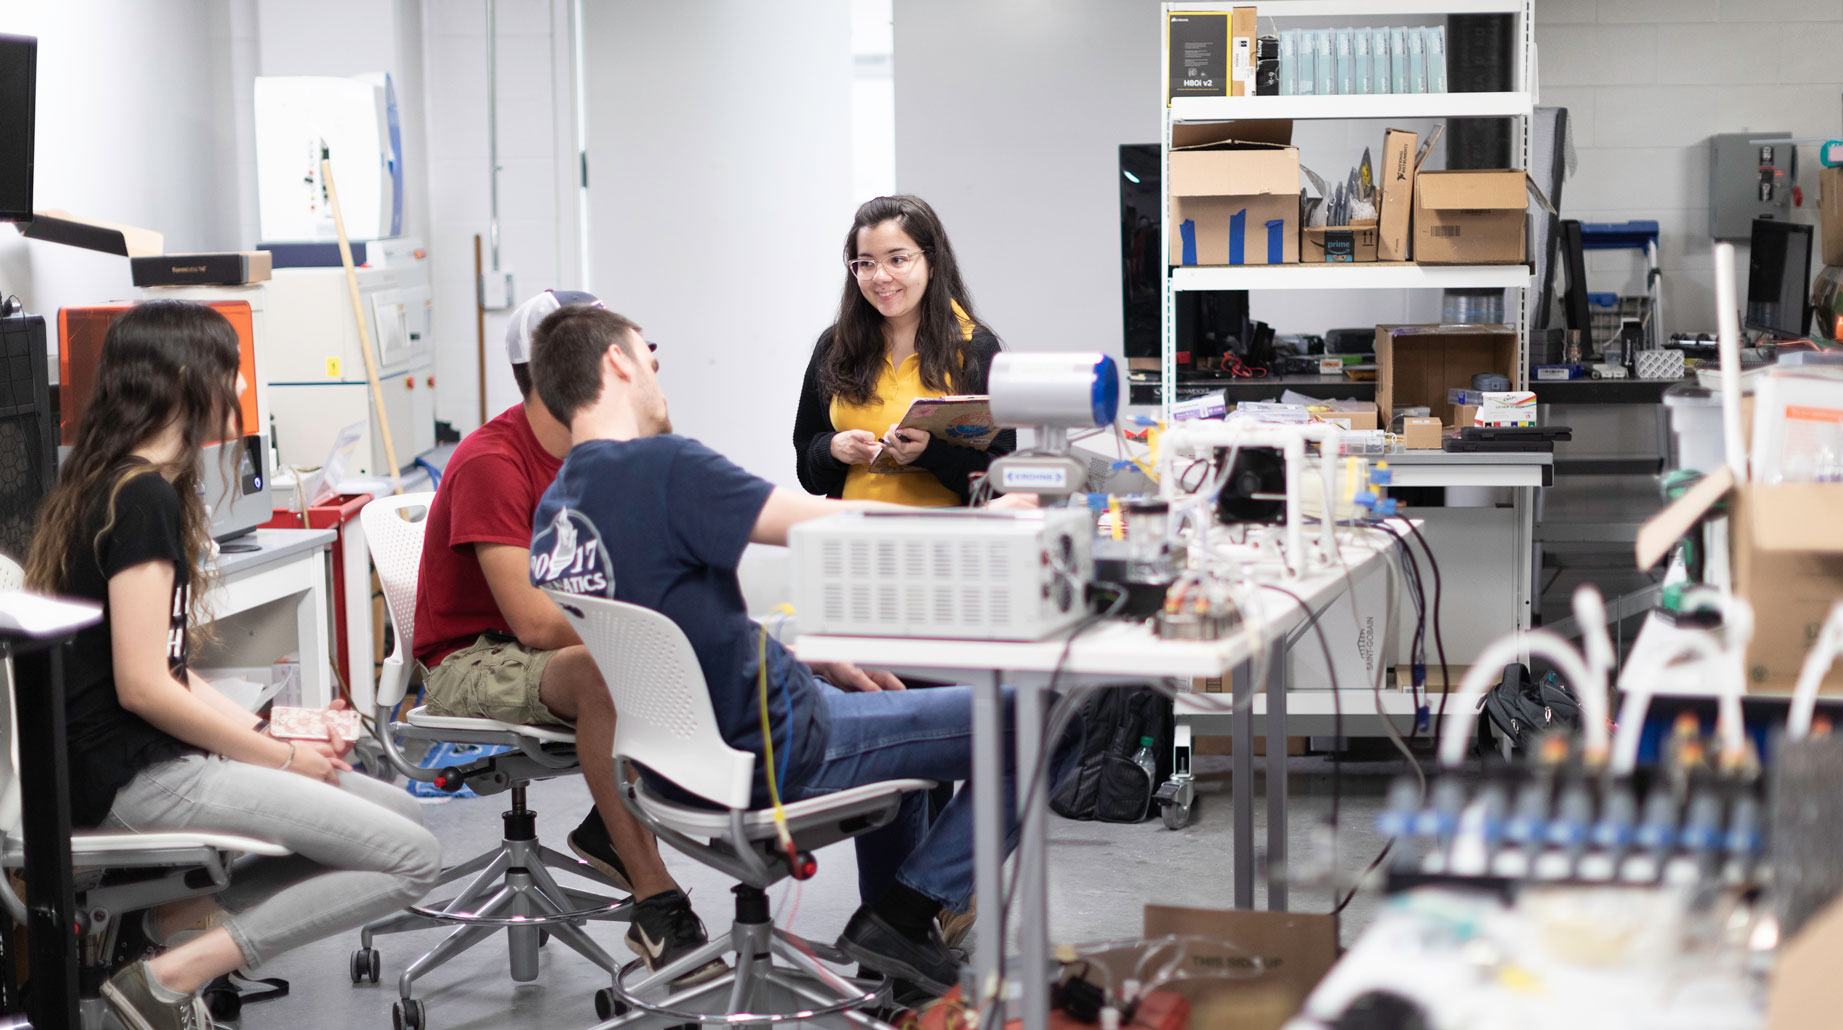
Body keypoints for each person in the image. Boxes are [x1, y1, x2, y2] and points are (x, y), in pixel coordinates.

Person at [527, 303, 1075, 999]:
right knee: (1052, 715)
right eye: (651, 360)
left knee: (889, 699)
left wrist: (811, 658)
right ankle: (903, 920)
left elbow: (677, 630)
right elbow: (837, 524)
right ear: (617, 363)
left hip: (669, 770)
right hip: (779, 748)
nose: (660, 380)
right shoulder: (662, 466)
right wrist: (985, 524)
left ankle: (893, 963)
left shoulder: (559, 509)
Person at [25, 300, 441, 1030]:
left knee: (401, 820)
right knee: (411, 858)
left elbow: (169, 674)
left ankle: (173, 919)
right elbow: (143, 686)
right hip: (129, 778)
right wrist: (280, 759)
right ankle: (166, 976)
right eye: (232, 374)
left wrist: (272, 729)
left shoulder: (116, 486)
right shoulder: (139, 498)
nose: (242, 392)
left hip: (132, 762)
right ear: (188, 380)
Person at [410, 289, 715, 976]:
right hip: (474, 656)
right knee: (611, 669)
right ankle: (655, 900)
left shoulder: (602, 450)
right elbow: (535, 621)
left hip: (560, 643)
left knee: (684, 647)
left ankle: (612, 829)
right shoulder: (496, 462)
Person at [793, 194, 1014, 507]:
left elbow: (999, 480)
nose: (880, 277)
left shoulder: (975, 347)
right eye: (866, 263)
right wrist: (831, 450)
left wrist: (931, 454)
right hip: (852, 541)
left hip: (947, 545)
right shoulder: (835, 345)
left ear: (932, 263)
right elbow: (807, 472)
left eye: (897, 260)